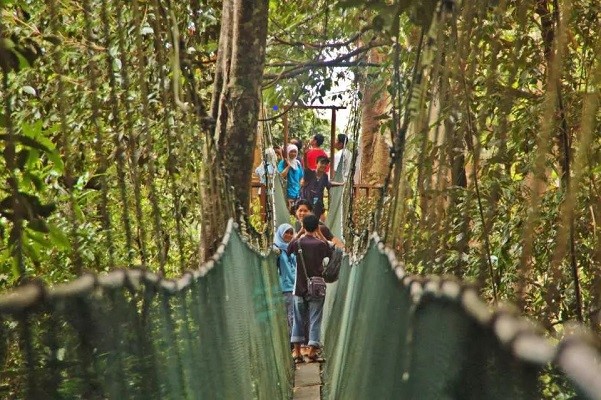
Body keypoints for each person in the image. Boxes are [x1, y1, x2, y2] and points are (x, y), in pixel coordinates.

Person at [288, 214, 332, 363]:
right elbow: (329, 250)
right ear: (317, 227)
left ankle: (297, 353)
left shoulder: (298, 243)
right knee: (315, 319)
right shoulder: (320, 245)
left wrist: (300, 232)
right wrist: (319, 233)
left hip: (299, 288)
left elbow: (289, 248)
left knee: (298, 319)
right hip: (317, 288)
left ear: (303, 226)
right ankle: (312, 351)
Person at [273, 223, 296, 334]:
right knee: (288, 315)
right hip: (283, 287)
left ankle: (292, 340)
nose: (289, 235)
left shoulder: (292, 249)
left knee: (292, 314)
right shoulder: (276, 248)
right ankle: (291, 340)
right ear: (280, 233)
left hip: (295, 286)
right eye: (286, 232)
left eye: (291, 233)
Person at [278, 144, 304, 209]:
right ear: (288, 152)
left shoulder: (297, 163)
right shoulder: (283, 162)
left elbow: (301, 177)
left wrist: (300, 188)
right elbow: (281, 176)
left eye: (295, 152)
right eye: (291, 151)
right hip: (287, 192)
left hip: (297, 192)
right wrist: (288, 166)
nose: (293, 153)